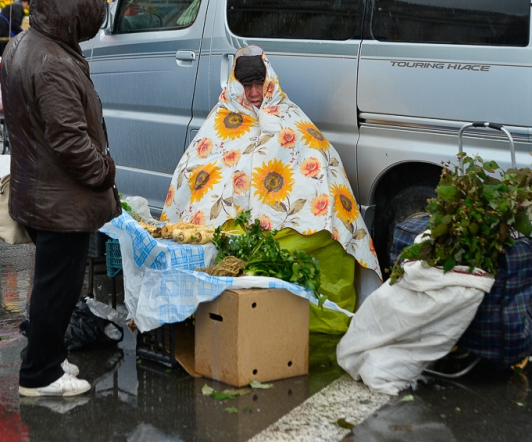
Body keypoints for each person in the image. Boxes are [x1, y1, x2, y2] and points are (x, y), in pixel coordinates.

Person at [162, 45, 381, 333]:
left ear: (270, 81)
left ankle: (318, 322)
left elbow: (318, 159)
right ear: (235, 85)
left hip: (285, 220)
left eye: (259, 84)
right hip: (236, 222)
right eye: (246, 85)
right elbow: (195, 172)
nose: (254, 93)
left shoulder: (289, 114)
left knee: (329, 231)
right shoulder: (220, 120)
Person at [1, 0, 120, 397]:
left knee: (50, 288)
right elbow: (70, 141)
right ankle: (39, 375)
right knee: (55, 293)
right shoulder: (52, 61)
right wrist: (104, 172)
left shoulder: (22, 45)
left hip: (38, 193)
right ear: (72, 13)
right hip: (60, 202)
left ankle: (48, 358)